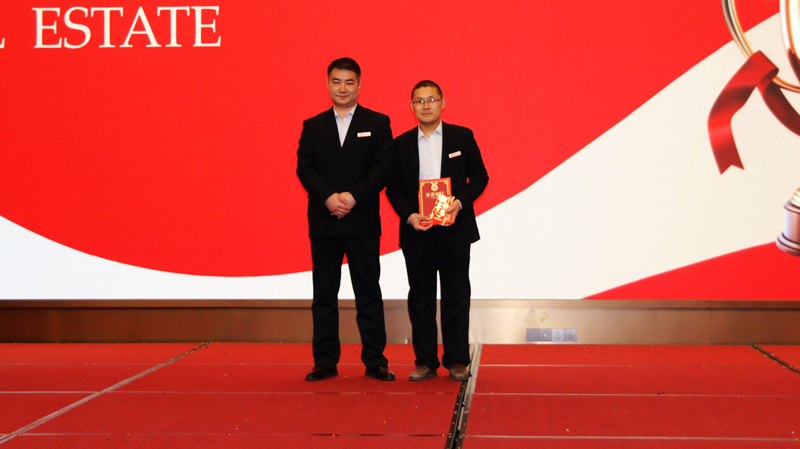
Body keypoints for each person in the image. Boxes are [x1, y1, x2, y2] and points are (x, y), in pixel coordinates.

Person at [296, 57, 395, 381]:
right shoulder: (312, 126)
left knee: (368, 292)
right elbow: (305, 168)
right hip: (324, 219)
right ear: (327, 85)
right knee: (324, 294)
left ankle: (376, 360)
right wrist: (328, 197)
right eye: (336, 81)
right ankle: (325, 361)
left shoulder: (377, 122)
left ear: (359, 86)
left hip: (361, 219)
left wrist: (353, 196)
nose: (342, 88)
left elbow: (383, 168)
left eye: (349, 82)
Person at [386, 80, 489, 381]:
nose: (426, 105)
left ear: (443, 102)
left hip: (454, 228)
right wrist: (409, 215)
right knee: (421, 297)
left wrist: (458, 203)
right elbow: (393, 188)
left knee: (456, 294)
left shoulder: (462, 136)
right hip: (418, 230)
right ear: (411, 107)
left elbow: (480, 177)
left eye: (432, 99)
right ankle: (425, 361)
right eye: (419, 101)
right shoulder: (400, 144)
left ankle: (457, 360)